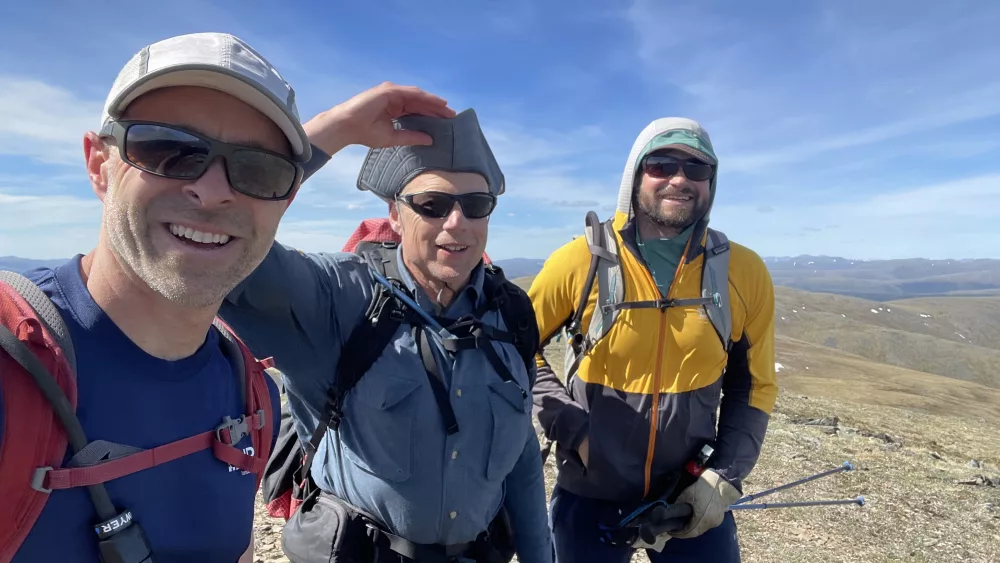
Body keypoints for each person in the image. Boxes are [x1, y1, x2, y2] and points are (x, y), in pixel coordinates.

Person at [0, 31, 458, 562]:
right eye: (168, 151)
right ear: (100, 164)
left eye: (256, 168)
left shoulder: (248, 392)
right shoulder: (18, 363)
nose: (214, 190)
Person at [216, 109, 553, 563]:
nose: (457, 222)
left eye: (475, 205)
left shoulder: (509, 312)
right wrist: (334, 132)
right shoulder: (337, 298)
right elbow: (221, 236)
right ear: (395, 213)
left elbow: (521, 456)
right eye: (432, 205)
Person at [528, 117, 778, 562]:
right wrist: (574, 429)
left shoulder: (743, 271)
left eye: (696, 169)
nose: (679, 179)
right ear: (635, 176)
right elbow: (516, 350)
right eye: (661, 165)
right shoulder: (580, 260)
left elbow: (754, 384)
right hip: (589, 494)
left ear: (711, 183)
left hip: (689, 494)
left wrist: (723, 476)